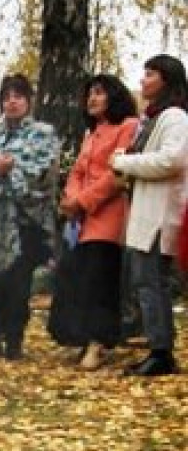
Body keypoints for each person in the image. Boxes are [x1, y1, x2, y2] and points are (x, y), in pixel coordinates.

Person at [0, 73, 59, 360]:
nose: (11, 102)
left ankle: (14, 341)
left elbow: (44, 172)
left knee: (18, 283)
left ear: (28, 101)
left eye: (17, 96)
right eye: (6, 97)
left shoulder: (43, 133)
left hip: (25, 221)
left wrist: (13, 170)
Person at [48, 75, 138, 370]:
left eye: (99, 93)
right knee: (77, 277)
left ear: (114, 96)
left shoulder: (128, 127)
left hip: (108, 215)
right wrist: (71, 199)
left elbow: (117, 175)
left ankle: (99, 342)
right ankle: (83, 338)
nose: (92, 98)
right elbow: (76, 172)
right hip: (81, 221)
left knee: (100, 278)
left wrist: (82, 200)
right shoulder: (90, 134)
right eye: (89, 93)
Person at [111, 54, 188, 377]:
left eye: (150, 73)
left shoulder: (174, 117)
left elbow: (172, 159)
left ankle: (161, 352)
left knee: (152, 282)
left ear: (167, 80)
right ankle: (159, 348)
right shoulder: (153, 118)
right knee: (145, 281)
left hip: (161, 213)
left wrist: (124, 163)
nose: (143, 80)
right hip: (148, 211)